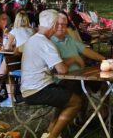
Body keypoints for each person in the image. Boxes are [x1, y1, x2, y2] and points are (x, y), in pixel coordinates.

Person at [20, 10, 82, 138]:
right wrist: (72, 60)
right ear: (53, 26)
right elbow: (62, 70)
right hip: (37, 90)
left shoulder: (32, 40)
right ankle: (52, 136)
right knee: (76, 101)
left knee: (69, 88)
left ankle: (51, 128)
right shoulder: (46, 44)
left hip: (30, 87)